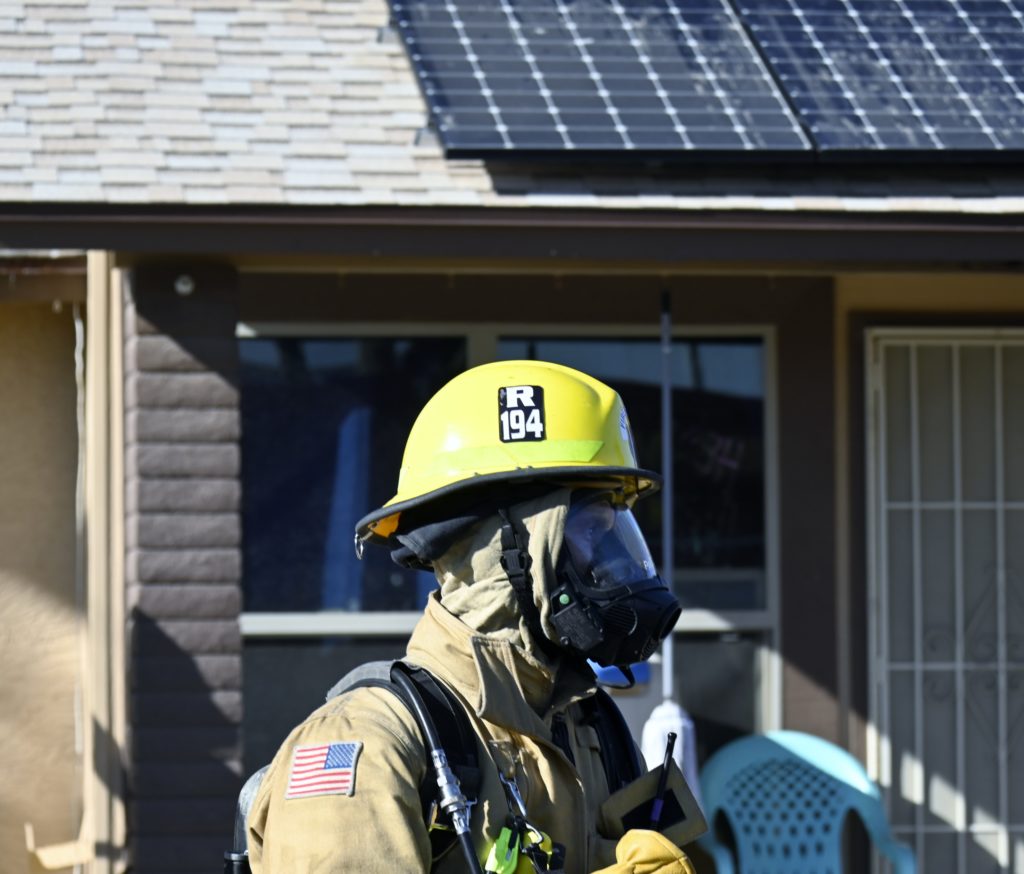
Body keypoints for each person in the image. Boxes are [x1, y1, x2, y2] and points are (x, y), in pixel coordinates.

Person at [246, 360, 695, 873]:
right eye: (591, 530)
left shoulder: (592, 727)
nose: (612, 561)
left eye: (615, 530)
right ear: (507, 549)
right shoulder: (367, 745)